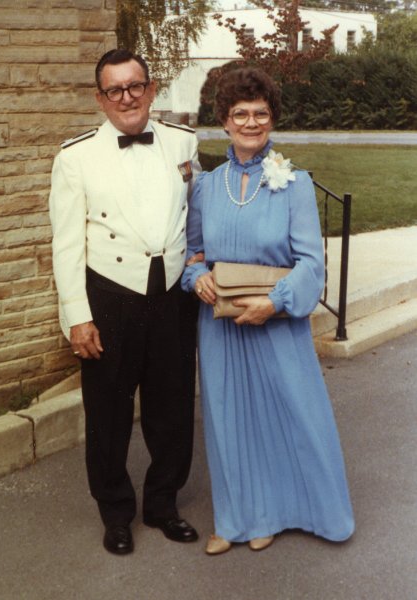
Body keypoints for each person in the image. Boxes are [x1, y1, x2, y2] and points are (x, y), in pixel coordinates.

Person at [182, 67, 355, 555]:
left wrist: (275, 302)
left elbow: (311, 263)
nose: (251, 122)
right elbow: (192, 254)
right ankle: (235, 520)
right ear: (224, 120)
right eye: (241, 113)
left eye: (261, 113)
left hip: (275, 325)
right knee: (228, 420)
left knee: (286, 416)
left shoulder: (293, 184)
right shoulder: (206, 187)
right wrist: (198, 279)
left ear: (272, 119)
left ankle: (273, 516)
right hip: (220, 328)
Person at [49, 49, 200, 555]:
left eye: (135, 86)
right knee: (109, 416)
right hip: (110, 297)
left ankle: (162, 504)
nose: (126, 98)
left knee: (173, 408)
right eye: (115, 90)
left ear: (151, 90)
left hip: (173, 296)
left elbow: (193, 216)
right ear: (101, 98)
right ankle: (116, 513)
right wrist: (77, 317)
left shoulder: (183, 143)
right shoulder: (75, 157)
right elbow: (67, 245)